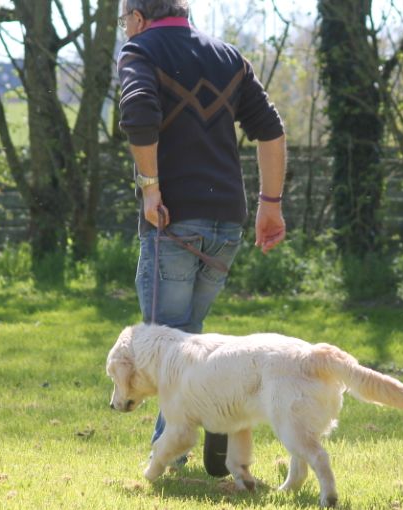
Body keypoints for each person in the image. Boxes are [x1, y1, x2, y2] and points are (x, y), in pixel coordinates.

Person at [117, 0, 287, 476]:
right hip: (226, 222)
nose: (124, 29)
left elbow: (139, 112)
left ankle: (169, 452)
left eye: (123, 21)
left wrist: (151, 189)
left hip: (172, 220)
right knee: (190, 338)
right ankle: (217, 426)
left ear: (137, 17)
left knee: (167, 344)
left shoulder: (139, 50)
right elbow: (271, 131)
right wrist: (270, 205)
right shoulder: (229, 57)